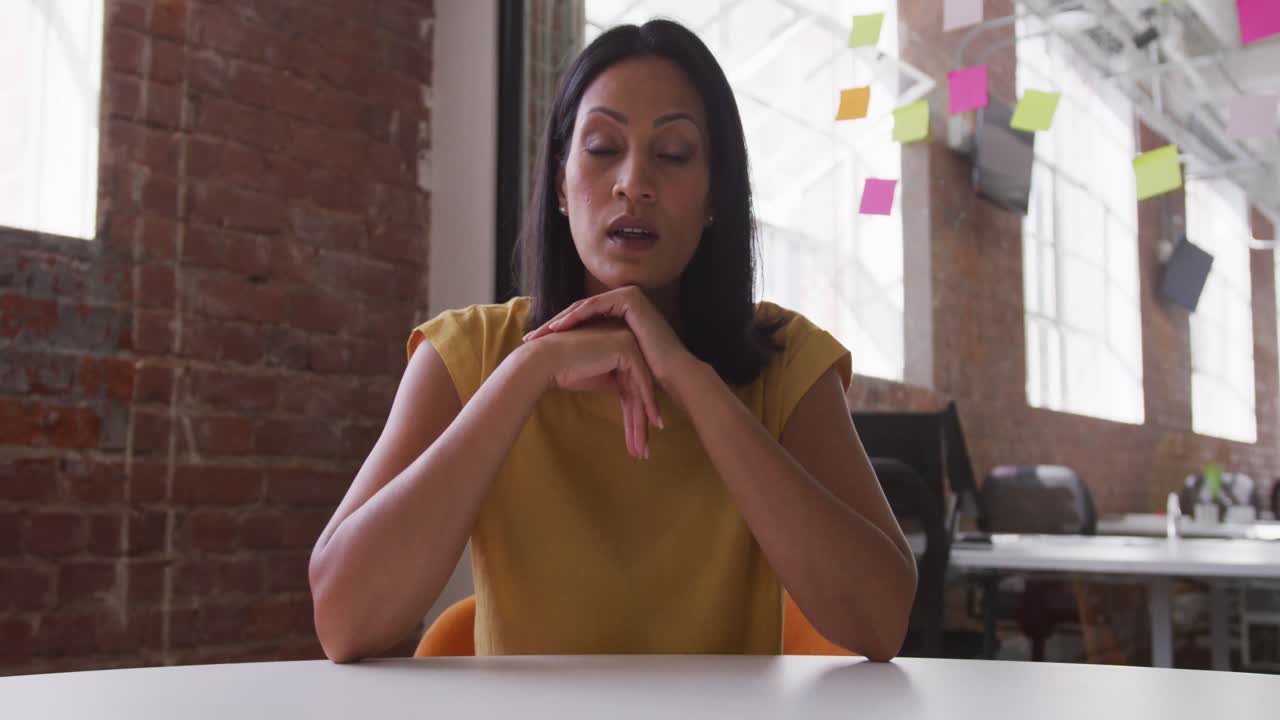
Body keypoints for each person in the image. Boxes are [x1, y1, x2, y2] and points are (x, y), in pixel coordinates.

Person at [309, 19, 916, 663]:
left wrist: (686, 376)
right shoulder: (470, 351)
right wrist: (531, 366)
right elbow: (343, 622)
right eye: (602, 147)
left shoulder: (786, 358)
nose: (635, 182)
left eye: (675, 154)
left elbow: (882, 622)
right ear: (562, 186)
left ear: (715, 196)